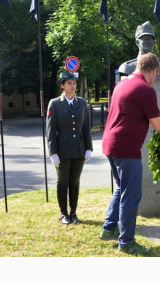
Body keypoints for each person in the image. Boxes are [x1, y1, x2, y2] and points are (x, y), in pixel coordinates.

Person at [99, 53, 160, 255]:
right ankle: (126, 242)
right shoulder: (145, 89)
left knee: (121, 188)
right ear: (154, 71)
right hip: (126, 148)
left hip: (110, 144)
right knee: (131, 195)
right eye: (155, 75)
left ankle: (109, 228)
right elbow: (158, 124)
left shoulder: (121, 84)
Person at [47, 70, 93, 225]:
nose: (73, 86)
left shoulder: (81, 103)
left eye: (74, 83)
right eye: (69, 83)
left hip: (79, 149)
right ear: (62, 86)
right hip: (62, 150)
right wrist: (53, 152)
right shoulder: (55, 104)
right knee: (63, 182)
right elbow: (51, 130)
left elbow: (85, 127)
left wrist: (88, 147)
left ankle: (73, 213)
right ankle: (63, 213)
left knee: (75, 181)